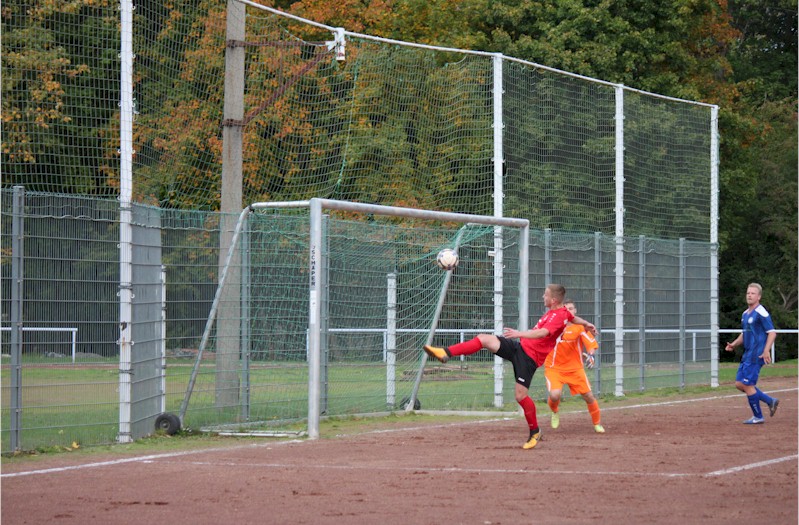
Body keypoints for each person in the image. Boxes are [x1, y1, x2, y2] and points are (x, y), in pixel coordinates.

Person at [423, 284, 597, 450]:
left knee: (520, 396)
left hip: (529, 359)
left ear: (553, 300)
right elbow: (573, 317)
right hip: (520, 348)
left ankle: (535, 432)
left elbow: (542, 333)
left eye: (546, 294)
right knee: (484, 339)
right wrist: (586, 323)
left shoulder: (559, 316)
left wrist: (519, 333)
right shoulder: (561, 312)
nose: (543, 296)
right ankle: (445, 353)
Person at [544, 301, 604, 434]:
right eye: (566, 309)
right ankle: (554, 411)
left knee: (589, 396)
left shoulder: (580, 327)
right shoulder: (553, 326)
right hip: (554, 368)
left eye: (571, 308)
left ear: (575, 311)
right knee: (555, 395)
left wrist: (591, 356)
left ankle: (597, 423)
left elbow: (590, 344)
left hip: (575, 369)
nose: (569, 311)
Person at [724, 283, 779, 424]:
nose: (749, 295)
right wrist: (734, 344)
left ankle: (758, 416)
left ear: (759, 296)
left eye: (753, 293)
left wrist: (766, 350)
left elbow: (772, 333)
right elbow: (745, 333)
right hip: (748, 353)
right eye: (748, 293)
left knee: (747, 385)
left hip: (757, 354)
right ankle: (770, 401)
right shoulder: (745, 314)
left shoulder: (761, 312)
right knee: (739, 384)